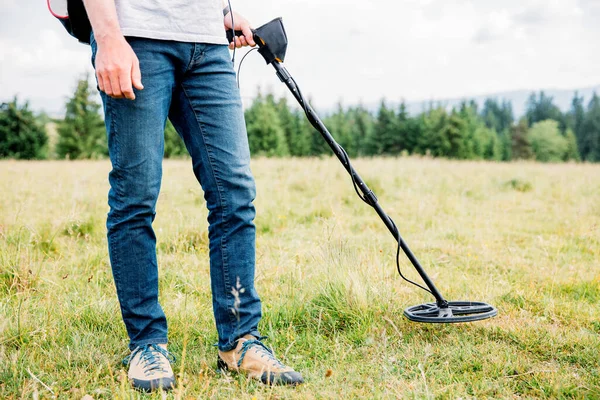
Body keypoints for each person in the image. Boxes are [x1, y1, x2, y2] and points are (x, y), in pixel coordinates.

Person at [82, 0, 303, 391]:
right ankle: (147, 343)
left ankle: (239, 342)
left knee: (234, 194)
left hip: (207, 44)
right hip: (136, 36)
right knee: (136, 197)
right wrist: (109, 37)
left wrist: (219, 13)